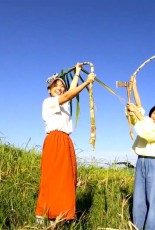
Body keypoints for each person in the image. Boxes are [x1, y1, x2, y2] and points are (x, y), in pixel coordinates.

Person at [35, 63, 96, 224]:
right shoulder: (49, 102)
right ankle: (43, 214)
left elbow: (69, 94)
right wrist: (86, 82)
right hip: (54, 139)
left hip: (65, 140)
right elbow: (68, 96)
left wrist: (76, 74)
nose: (60, 88)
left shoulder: (64, 103)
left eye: (62, 85)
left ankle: (62, 214)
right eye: (56, 85)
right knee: (51, 177)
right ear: (49, 89)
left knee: (67, 178)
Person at [126, 76, 155, 230]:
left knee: (154, 198)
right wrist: (134, 87)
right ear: (150, 114)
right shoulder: (145, 121)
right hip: (141, 162)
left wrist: (137, 112)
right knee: (139, 198)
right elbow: (139, 107)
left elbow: (148, 133)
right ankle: (139, 226)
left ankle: (154, 227)